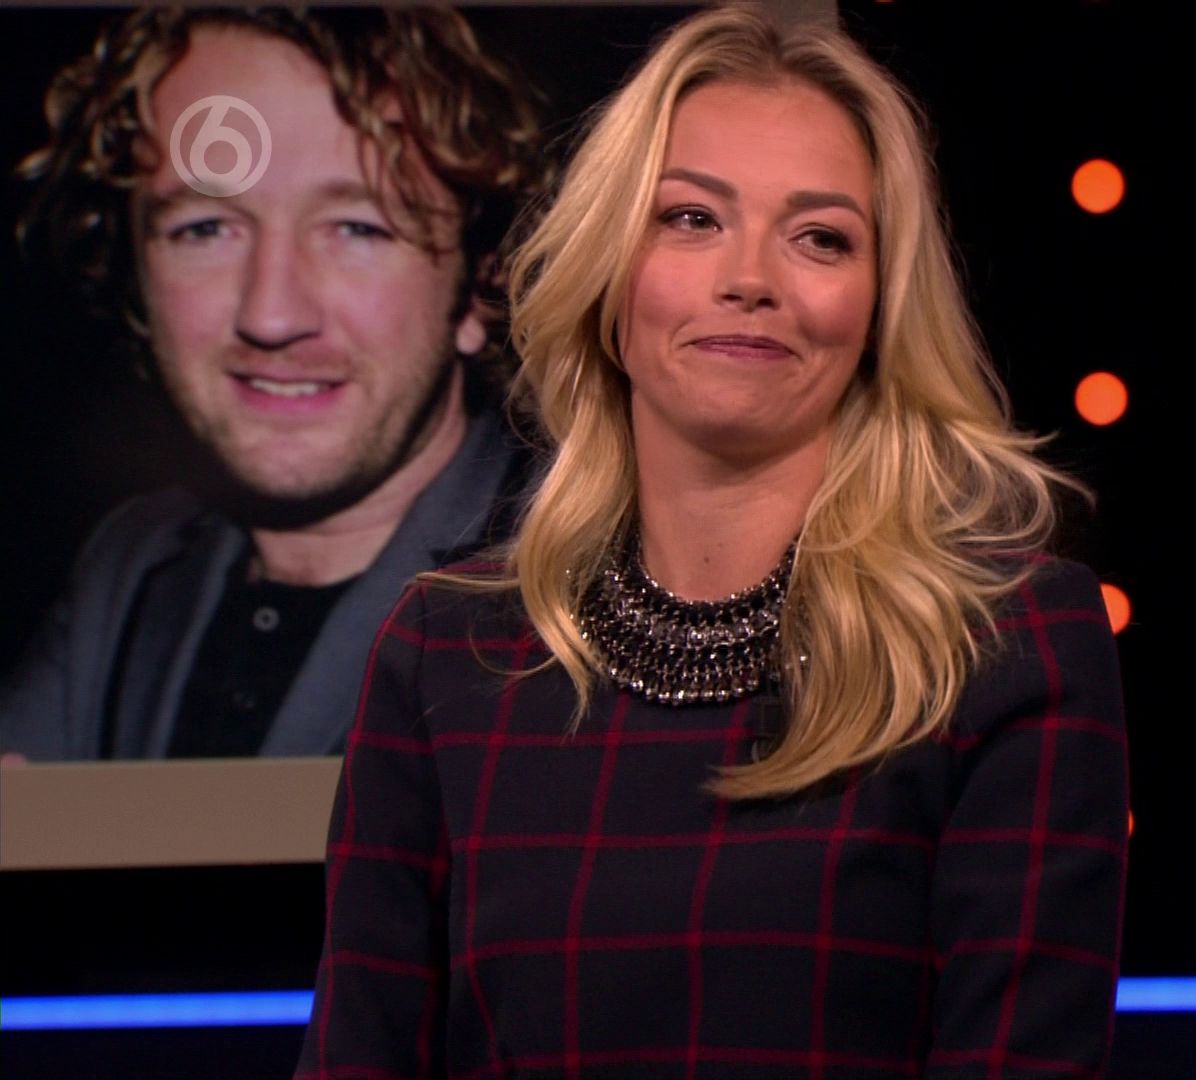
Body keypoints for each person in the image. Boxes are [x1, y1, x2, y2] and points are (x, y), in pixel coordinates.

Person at [296, 5, 1130, 1077]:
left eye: (821, 237)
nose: (752, 279)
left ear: (880, 306)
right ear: (610, 271)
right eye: (691, 219)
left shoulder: (1005, 645)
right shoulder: (446, 652)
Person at [0, 7, 549, 760]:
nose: (272, 314)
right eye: (205, 229)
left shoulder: (597, 588)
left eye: (358, 227)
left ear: (480, 282)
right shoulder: (130, 571)